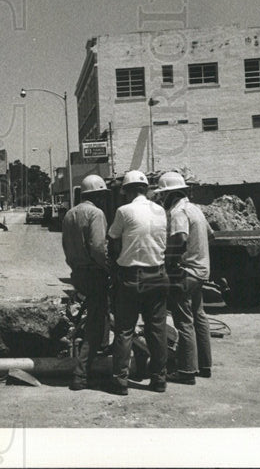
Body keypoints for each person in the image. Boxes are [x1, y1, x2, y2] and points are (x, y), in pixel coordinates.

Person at [107, 169, 169, 395]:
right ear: (145, 189)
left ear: (129, 190)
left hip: (131, 277)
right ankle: (159, 379)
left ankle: (120, 380)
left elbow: (113, 240)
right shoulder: (161, 211)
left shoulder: (124, 211)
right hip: (158, 275)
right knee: (156, 329)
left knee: (125, 329)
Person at [158, 170, 214, 383]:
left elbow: (180, 237)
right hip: (200, 271)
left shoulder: (178, 211)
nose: (162, 199)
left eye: (164, 195)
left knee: (184, 322)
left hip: (186, 272)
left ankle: (187, 371)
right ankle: (205, 366)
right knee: (200, 317)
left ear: (171, 194)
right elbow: (211, 234)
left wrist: (170, 260)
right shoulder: (195, 209)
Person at [61, 174, 111, 391]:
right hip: (94, 273)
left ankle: (96, 356)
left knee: (91, 317)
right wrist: (110, 268)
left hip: (78, 274)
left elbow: (66, 248)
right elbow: (99, 247)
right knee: (96, 324)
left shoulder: (69, 214)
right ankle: (81, 375)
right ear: (97, 196)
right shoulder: (96, 214)